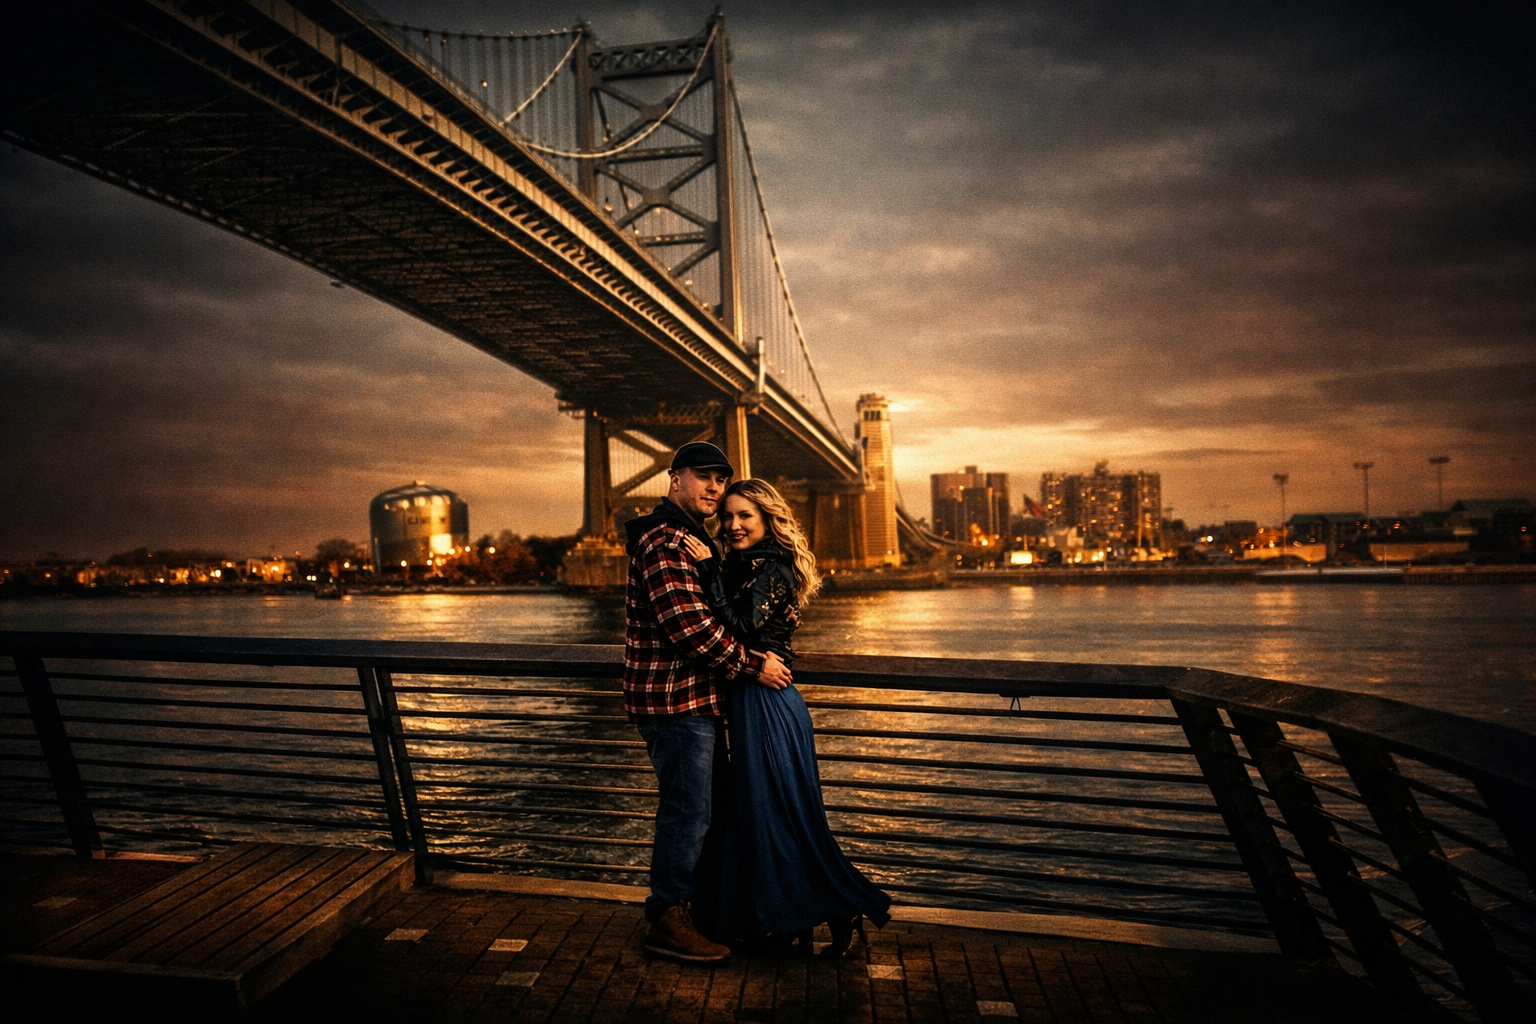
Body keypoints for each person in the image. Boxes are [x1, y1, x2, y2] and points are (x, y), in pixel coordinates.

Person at [683, 478, 892, 957]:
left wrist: (709, 569)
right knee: (760, 820)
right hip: (748, 700)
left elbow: (739, 625)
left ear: (767, 521)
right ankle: (785, 920)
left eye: (745, 517)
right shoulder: (745, 565)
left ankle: (841, 906)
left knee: (781, 818)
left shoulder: (772, 568)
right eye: (728, 516)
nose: (732, 525)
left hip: (768, 704)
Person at [622, 442, 794, 963]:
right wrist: (753, 664)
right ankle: (667, 919)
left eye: (721, 479)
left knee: (706, 811)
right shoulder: (668, 541)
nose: (715, 487)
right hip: (675, 703)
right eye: (703, 477)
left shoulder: (694, 540)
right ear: (674, 479)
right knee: (688, 812)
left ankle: (704, 910)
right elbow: (690, 630)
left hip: (695, 701)